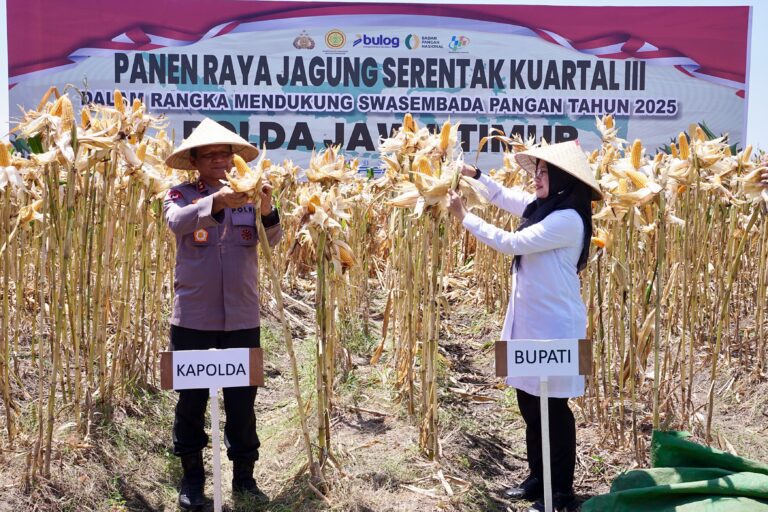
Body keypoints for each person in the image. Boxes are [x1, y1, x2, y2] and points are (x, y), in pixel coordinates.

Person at [447, 141, 602, 512]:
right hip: (529, 324)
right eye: (537, 171)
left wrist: (464, 216)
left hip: (555, 328)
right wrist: (476, 175)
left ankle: (559, 492)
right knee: (529, 403)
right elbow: (504, 196)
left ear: (563, 178)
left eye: (544, 172)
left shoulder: (567, 219)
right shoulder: (545, 207)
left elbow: (511, 242)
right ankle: (538, 478)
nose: (536, 178)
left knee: (553, 410)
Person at [163, 118, 282, 510]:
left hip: (242, 316)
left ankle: (244, 481)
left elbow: (273, 240)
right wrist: (216, 202)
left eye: (224, 153)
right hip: (194, 318)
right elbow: (176, 223)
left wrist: (265, 207)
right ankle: (193, 481)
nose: (219, 160)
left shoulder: (250, 192)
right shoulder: (180, 195)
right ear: (195, 161)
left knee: (242, 403)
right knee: (192, 401)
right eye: (209, 154)